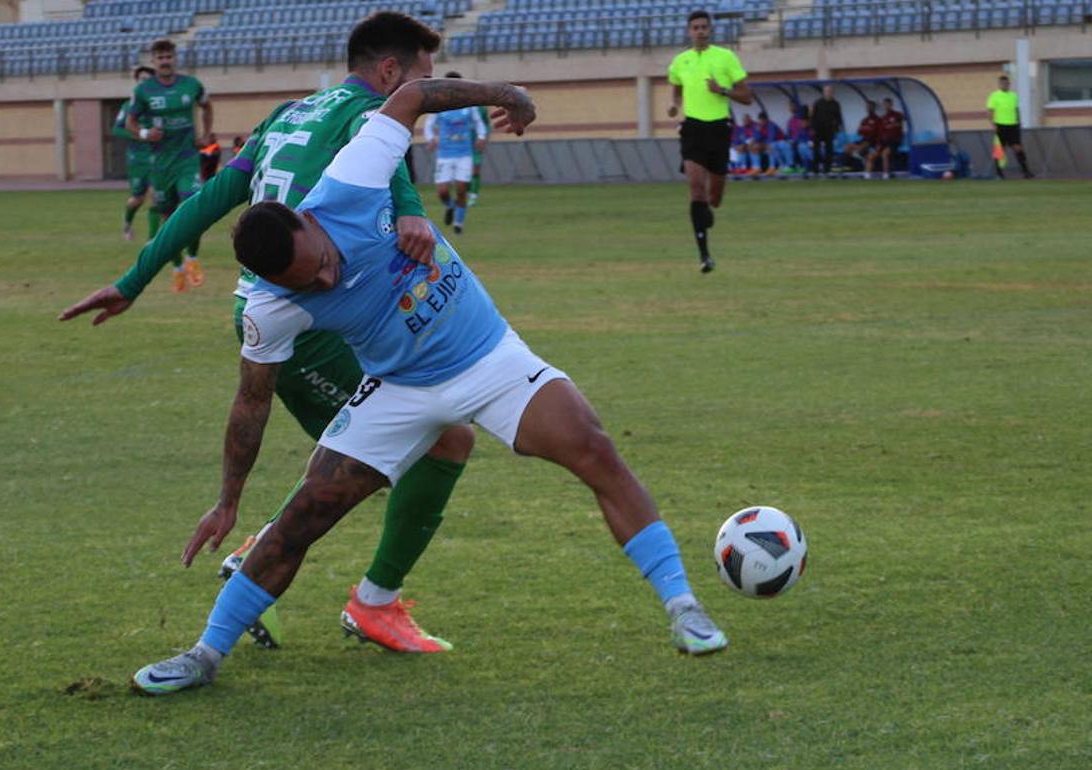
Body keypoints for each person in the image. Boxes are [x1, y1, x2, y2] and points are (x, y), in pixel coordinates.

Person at [129, 74, 729, 696]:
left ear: (307, 221)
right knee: (304, 516)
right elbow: (250, 402)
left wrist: (506, 94)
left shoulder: (353, 182)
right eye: (309, 284)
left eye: (323, 263)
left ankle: (684, 608)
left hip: (488, 358)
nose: (328, 281)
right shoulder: (268, 306)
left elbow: (412, 93)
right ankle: (204, 654)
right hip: (397, 390)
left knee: (594, 448)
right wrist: (228, 500)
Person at [60, 12, 466, 656]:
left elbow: (213, 196)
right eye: (423, 77)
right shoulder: (368, 118)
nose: (428, 90)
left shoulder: (291, 112)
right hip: (300, 319)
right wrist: (414, 214)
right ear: (391, 73)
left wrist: (135, 279)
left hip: (307, 310)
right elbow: (395, 183)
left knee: (394, 446)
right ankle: (357, 597)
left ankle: (349, 590)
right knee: (433, 442)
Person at [666, 9, 752, 273]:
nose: (700, 31)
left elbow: (747, 96)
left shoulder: (726, 57)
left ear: (710, 30)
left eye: (704, 27)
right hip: (692, 128)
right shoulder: (680, 61)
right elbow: (677, 90)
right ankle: (704, 256)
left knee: (714, 199)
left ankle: (706, 212)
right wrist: (674, 105)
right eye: (696, 27)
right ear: (689, 31)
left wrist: (722, 90)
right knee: (695, 188)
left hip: (719, 128)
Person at [127, 38, 213, 292]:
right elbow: (130, 122)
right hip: (160, 164)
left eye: (169, 57)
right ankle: (177, 268)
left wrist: (206, 133)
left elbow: (207, 106)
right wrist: (144, 133)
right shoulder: (144, 91)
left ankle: (193, 259)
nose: (165, 61)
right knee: (168, 216)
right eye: (160, 58)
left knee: (193, 207)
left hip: (187, 159)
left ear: (175, 59)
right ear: (153, 62)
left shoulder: (191, 85)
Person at [423, 71, 487, 234]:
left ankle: (458, 224)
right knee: (442, 191)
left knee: (461, 189)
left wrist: (481, 136)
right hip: (444, 154)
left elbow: (479, 123)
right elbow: (428, 125)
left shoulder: (469, 106)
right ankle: (450, 207)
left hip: (464, 154)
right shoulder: (439, 105)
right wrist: (431, 139)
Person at [114, 65, 160, 243]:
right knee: (137, 199)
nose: (145, 82)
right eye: (141, 80)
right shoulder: (129, 106)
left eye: (148, 79)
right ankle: (127, 223)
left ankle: (152, 239)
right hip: (137, 159)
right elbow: (117, 129)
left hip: (158, 157)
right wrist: (140, 134)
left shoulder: (159, 105)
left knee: (156, 197)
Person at [986, 75, 1034, 179]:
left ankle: (1025, 171)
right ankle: (999, 173)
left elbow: (1016, 110)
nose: (1005, 85)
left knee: (1018, 148)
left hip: (1013, 126)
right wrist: (993, 124)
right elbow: (990, 111)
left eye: (1007, 84)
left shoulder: (1013, 96)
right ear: (999, 84)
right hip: (1000, 125)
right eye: (1003, 83)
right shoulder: (994, 96)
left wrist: (1019, 121)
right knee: (1000, 149)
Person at [809, 85, 843, 176]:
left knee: (829, 150)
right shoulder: (817, 103)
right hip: (818, 129)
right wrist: (812, 128)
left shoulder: (835, 104)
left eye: (830, 91)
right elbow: (812, 117)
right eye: (827, 91)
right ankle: (815, 170)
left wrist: (838, 127)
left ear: (832, 93)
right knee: (816, 150)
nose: (828, 93)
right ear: (823, 92)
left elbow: (838, 117)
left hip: (829, 130)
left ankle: (827, 170)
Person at [876, 97, 905, 179]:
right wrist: (878, 143)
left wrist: (894, 125)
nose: (886, 106)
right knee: (871, 155)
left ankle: (886, 174)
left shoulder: (897, 115)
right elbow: (880, 132)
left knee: (885, 154)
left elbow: (901, 124)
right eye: (884, 104)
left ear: (891, 105)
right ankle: (867, 176)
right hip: (884, 141)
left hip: (895, 141)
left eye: (888, 104)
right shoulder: (882, 118)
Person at [782, 100, 813, 174]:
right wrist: (792, 141)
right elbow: (796, 137)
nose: (802, 123)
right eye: (801, 121)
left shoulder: (813, 125)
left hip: (815, 147)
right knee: (788, 145)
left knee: (802, 146)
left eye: (803, 121)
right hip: (802, 144)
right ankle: (791, 166)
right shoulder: (794, 122)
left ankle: (808, 166)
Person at [467, 105, 490, 205]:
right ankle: (466, 193)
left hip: (476, 142)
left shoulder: (482, 108)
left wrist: (483, 138)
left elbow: (486, 124)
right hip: (461, 144)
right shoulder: (460, 106)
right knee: (464, 170)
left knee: (475, 168)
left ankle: (473, 195)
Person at [857, 101, 884, 179]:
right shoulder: (864, 120)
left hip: (873, 143)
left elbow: (878, 133)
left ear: (873, 108)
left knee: (869, 156)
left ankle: (867, 175)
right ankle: (860, 156)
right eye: (867, 106)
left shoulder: (878, 120)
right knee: (848, 147)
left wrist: (878, 145)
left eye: (870, 106)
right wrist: (867, 129)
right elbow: (859, 131)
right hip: (864, 142)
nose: (868, 108)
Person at [754, 110, 783, 176]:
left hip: (779, 143)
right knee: (754, 147)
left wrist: (763, 145)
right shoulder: (759, 126)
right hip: (768, 144)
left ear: (766, 119)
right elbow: (757, 139)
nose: (761, 122)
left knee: (771, 146)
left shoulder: (771, 125)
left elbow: (771, 138)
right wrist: (758, 131)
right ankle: (756, 167)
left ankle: (772, 167)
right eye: (760, 120)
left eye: (762, 120)